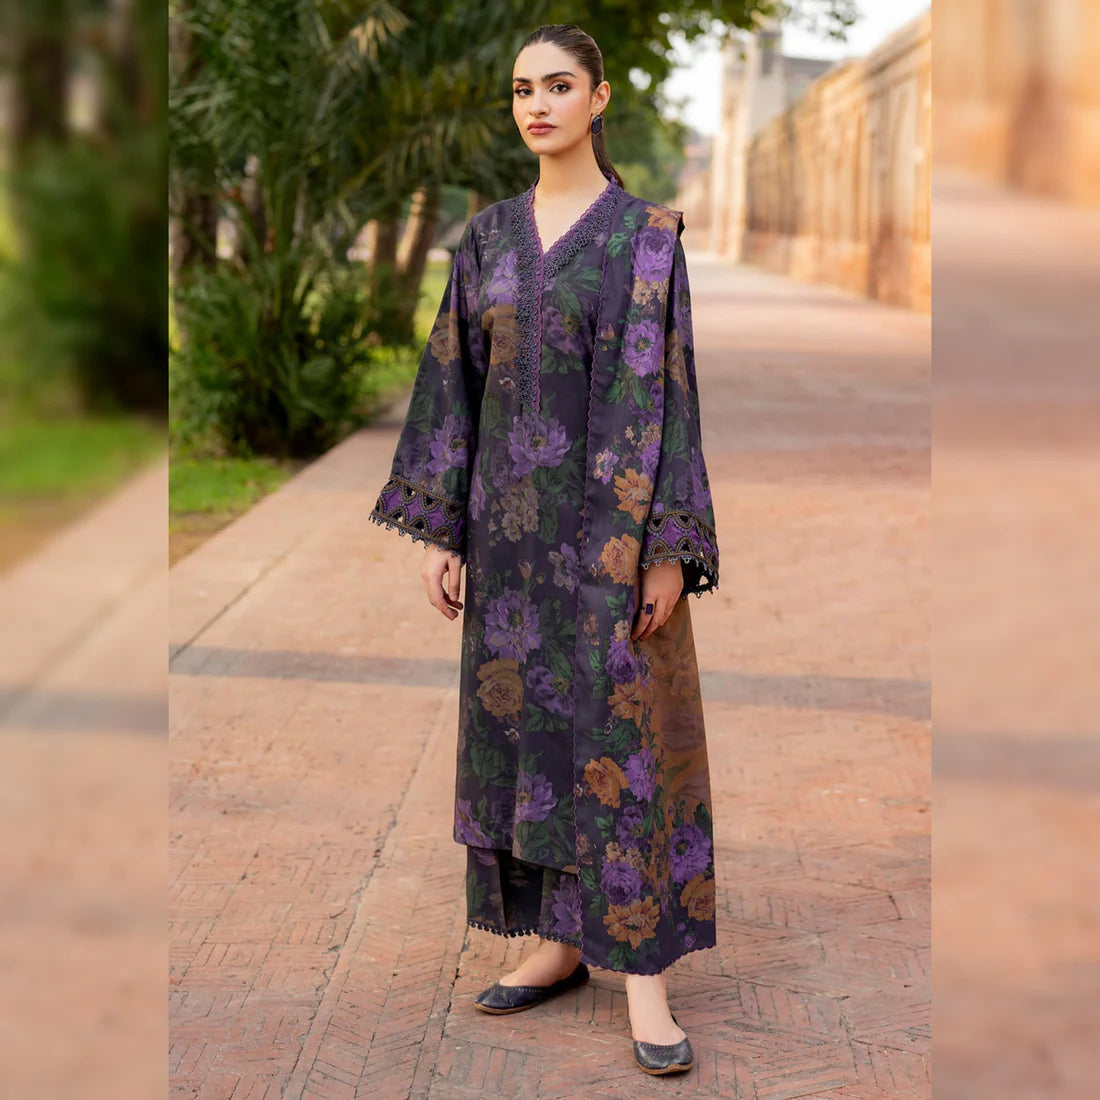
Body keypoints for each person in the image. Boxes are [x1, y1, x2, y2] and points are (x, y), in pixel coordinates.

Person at [369, 23, 719, 1077]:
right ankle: (559, 942)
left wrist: (667, 547)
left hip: (613, 540)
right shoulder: (483, 241)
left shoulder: (648, 239)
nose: (537, 104)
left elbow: (674, 398)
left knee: (624, 739)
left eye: (558, 85)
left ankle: (643, 972)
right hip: (511, 545)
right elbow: (451, 384)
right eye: (522, 89)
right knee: (528, 738)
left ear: (599, 97)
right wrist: (443, 527)